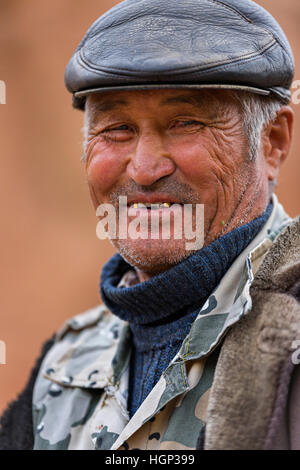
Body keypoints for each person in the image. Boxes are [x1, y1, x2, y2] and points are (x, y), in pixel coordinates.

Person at [0, 0, 299, 450]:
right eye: (117, 129)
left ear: (272, 142)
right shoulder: (63, 364)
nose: (143, 169)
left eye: (185, 123)